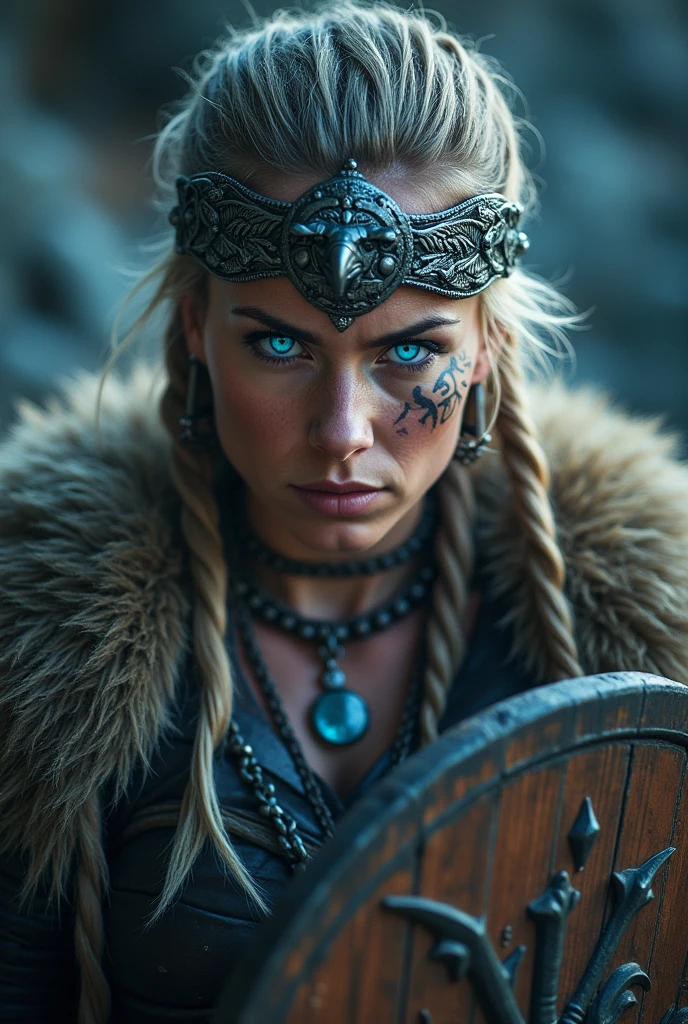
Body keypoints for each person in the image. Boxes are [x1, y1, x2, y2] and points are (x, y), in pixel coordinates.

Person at [1, 3, 688, 1021]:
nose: (341, 431)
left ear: (487, 346)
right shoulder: (28, 639)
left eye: (408, 350)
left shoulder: (635, 635)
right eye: (279, 346)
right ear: (196, 331)